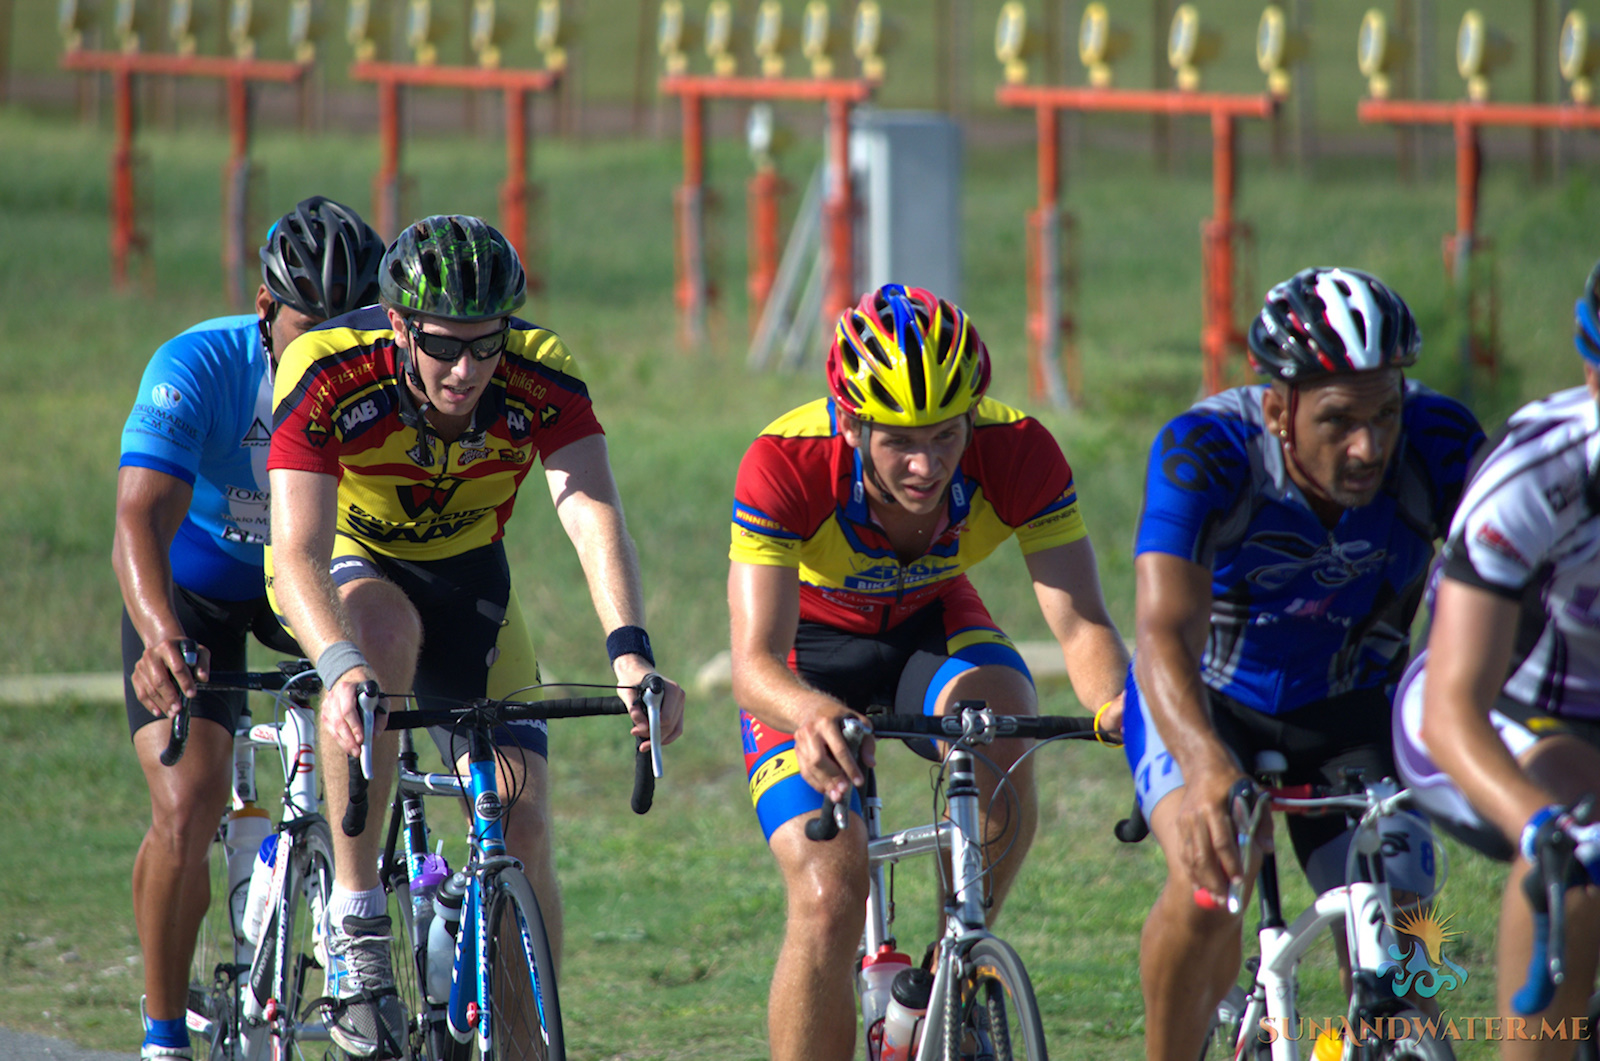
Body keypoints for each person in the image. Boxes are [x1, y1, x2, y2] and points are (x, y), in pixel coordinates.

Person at [266, 213, 687, 1058]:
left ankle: (525, 1044)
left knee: (523, 819)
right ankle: (358, 923)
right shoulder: (328, 370)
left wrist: (631, 649)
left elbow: (591, 511)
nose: (467, 370)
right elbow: (297, 549)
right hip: (348, 566)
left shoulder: (539, 372)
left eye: (486, 345)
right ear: (398, 325)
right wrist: (341, 664)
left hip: (470, 581)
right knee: (380, 632)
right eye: (444, 346)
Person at [727, 283, 1130, 1061]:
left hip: (927, 630)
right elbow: (753, 662)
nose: (926, 464)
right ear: (851, 424)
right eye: (899, 442)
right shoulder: (785, 462)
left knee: (1007, 713)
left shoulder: (1018, 452)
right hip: (805, 658)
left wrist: (1119, 701)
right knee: (829, 893)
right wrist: (808, 712)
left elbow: (1082, 624)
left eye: (946, 436)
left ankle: (959, 965)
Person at [1123, 267, 1487, 1061]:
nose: (1369, 446)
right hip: (1208, 699)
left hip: (1352, 705)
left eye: (1386, 413)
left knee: (1402, 905)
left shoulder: (1441, 443)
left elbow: (1518, 586)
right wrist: (1205, 766)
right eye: (1339, 421)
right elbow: (1163, 633)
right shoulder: (1206, 452)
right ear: (1279, 407)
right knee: (1214, 878)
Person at [113, 196, 384, 1060]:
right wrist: (158, 633)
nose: (335, 349)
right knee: (189, 801)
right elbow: (139, 521)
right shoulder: (197, 364)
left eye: (355, 326)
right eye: (313, 328)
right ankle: (163, 1034)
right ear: (265, 311)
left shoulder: (388, 375)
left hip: (305, 579)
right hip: (194, 592)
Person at [1393, 260, 1600, 1061]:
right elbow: (1453, 709)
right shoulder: (1538, 473)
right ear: (1592, 371)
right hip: (1487, 711)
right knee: (1578, 839)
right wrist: (1539, 826)